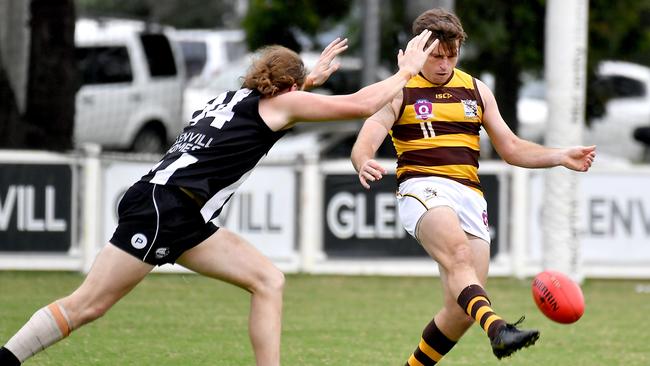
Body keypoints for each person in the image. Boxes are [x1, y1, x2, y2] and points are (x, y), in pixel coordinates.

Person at [0, 31, 438, 366]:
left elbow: (283, 100)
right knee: (87, 305)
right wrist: (405, 72)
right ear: (290, 89)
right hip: (165, 208)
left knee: (268, 281)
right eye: (300, 87)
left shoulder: (232, 97)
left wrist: (308, 78)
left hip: (178, 210)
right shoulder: (281, 106)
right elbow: (361, 104)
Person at [351, 8, 596, 365]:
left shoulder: (475, 90)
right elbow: (365, 141)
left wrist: (560, 155)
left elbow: (511, 148)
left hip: (468, 195)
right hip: (423, 188)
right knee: (460, 259)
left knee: (462, 309)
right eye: (436, 56)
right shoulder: (398, 90)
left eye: (451, 56)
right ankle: (498, 329)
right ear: (418, 49)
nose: (444, 64)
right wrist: (363, 161)